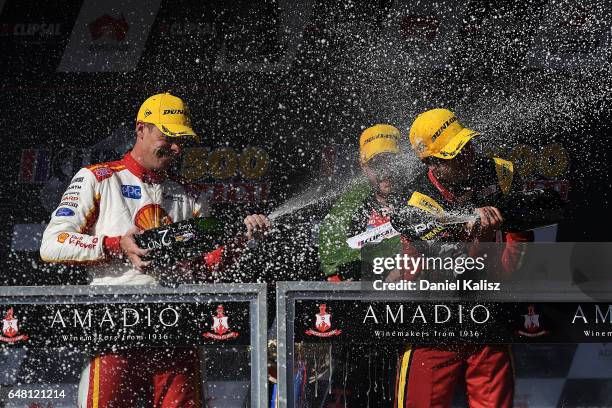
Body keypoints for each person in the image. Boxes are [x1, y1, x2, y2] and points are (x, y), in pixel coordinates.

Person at [40, 92, 269, 407]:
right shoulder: (98, 179)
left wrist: (240, 241)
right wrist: (116, 244)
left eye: (181, 140)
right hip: (114, 328)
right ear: (140, 130)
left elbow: (205, 266)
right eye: (167, 136)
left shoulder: (191, 196)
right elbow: (52, 243)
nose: (175, 148)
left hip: (176, 330)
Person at [392, 108, 535, 408]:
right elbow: (447, 269)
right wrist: (473, 236)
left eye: (466, 145)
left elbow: (523, 235)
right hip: (431, 323)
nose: (466, 157)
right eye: (453, 154)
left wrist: (505, 285)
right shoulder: (415, 201)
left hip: (487, 319)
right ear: (430, 163)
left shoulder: (501, 172)